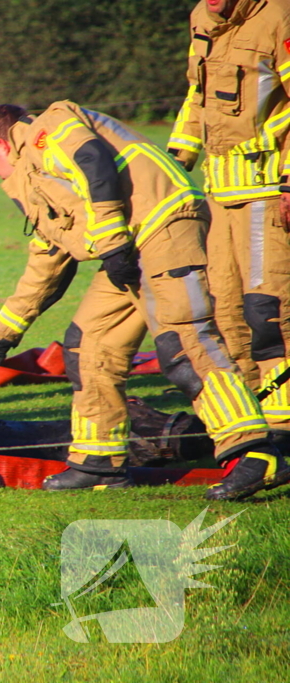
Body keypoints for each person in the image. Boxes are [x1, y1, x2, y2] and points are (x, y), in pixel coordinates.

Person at [0, 101, 289, 500]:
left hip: (163, 227)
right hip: (129, 246)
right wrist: (3, 330)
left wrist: (112, 243)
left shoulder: (49, 127)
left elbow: (93, 161)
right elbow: (50, 256)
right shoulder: (35, 174)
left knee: (184, 344)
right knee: (90, 343)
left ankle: (255, 454)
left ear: (2, 143)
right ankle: (98, 462)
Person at [167, 0, 290, 440]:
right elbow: (196, 96)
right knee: (224, 311)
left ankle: (284, 420)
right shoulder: (202, 17)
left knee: (267, 311)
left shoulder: (278, 16)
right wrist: (175, 162)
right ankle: (253, 417)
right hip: (218, 192)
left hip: (267, 190)